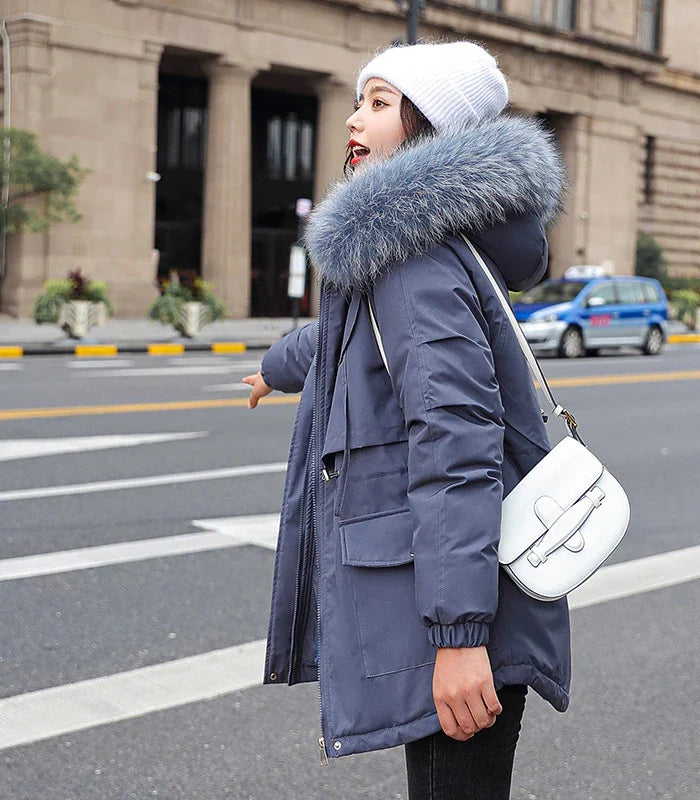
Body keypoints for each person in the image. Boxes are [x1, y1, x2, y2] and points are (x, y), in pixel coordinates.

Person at [242, 40, 571, 800]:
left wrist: (459, 639)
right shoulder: (419, 247)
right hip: (440, 598)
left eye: (380, 103)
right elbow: (351, 336)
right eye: (361, 101)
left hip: (457, 614)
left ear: (430, 128)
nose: (355, 120)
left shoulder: (413, 258)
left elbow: (456, 443)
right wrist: (277, 367)